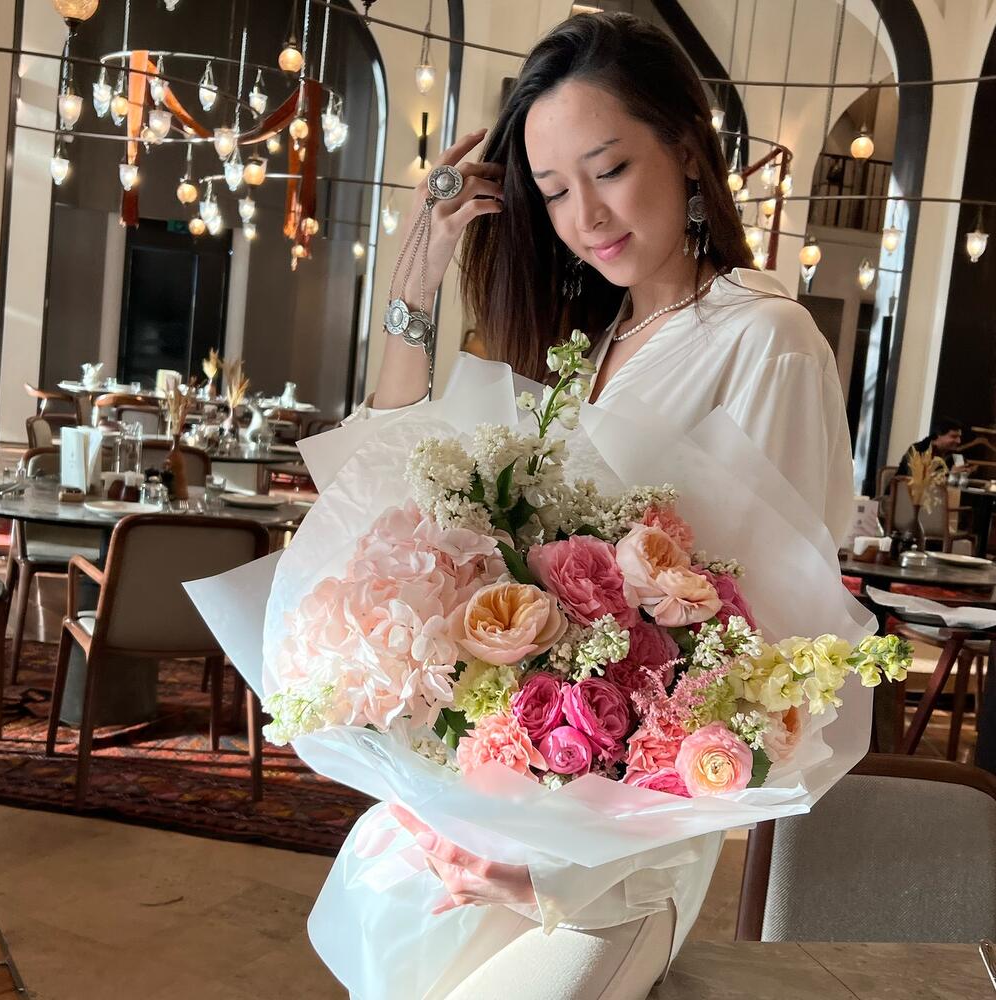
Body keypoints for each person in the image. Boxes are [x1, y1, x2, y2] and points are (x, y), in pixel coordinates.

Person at [350, 12, 852, 999]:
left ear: (685, 147)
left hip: (624, 864)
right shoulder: (589, 354)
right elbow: (388, 471)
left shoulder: (766, 339)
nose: (584, 215)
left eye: (610, 168)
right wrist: (418, 269)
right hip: (509, 806)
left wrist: (561, 870)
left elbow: (768, 660)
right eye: (551, 190)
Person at [895, 417, 966, 477]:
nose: (959, 441)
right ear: (938, 435)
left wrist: (965, 474)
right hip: (903, 488)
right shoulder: (918, 449)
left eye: (959, 437)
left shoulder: (957, 455)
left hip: (944, 489)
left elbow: (961, 480)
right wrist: (950, 474)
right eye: (954, 436)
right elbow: (916, 479)